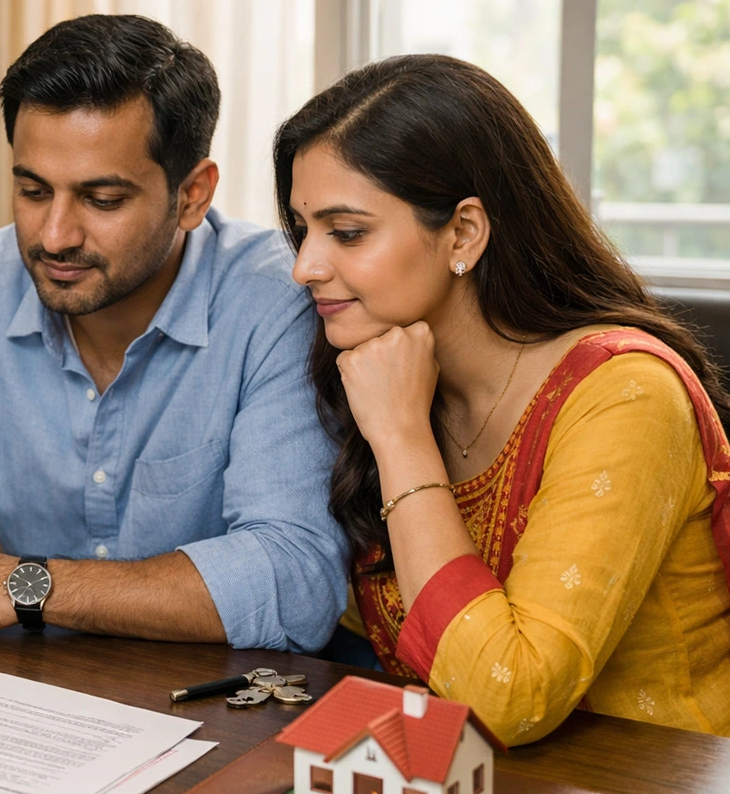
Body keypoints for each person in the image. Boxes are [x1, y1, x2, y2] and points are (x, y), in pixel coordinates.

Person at [0, 15, 346, 648]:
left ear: (192, 195)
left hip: (218, 704)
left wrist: (24, 585)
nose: (54, 236)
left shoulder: (281, 300)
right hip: (31, 695)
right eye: (31, 189)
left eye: (102, 199)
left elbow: (296, 579)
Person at [276, 53, 730, 745]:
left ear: (463, 232)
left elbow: (510, 696)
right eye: (302, 229)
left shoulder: (626, 396)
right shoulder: (383, 370)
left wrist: (401, 440)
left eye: (347, 233)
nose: (305, 267)